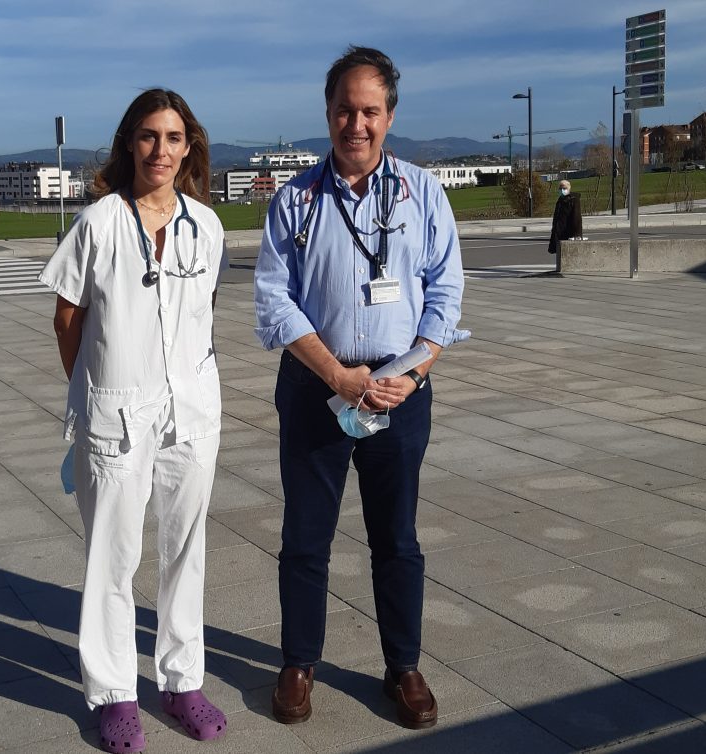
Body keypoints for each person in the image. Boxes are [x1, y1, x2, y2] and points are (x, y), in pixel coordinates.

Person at [254, 46, 466, 730]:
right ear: (328, 113)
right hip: (317, 386)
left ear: (390, 117)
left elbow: (446, 294)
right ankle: (298, 664)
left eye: (370, 111)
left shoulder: (423, 194)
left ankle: (403, 667)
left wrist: (412, 372)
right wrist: (338, 376)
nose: (357, 124)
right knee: (305, 536)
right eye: (345, 110)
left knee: (397, 537)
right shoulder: (296, 200)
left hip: (399, 391)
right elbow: (275, 300)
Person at [38, 88, 229, 754]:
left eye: (173, 138)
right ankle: (114, 692)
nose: (161, 150)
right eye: (149, 136)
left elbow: (202, 314)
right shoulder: (99, 223)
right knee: (112, 558)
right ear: (129, 143)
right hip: (115, 413)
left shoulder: (206, 227)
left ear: (189, 146)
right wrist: (93, 386)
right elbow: (66, 319)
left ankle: (181, 681)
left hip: (191, 413)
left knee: (186, 550)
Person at [548, 179, 583, 254]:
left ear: (569, 188)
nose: (562, 190)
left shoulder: (574, 200)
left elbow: (577, 218)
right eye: (560, 188)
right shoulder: (560, 200)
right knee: (560, 254)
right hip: (559, 232)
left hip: (568, 233)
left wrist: (577, 235)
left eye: (564, 188)